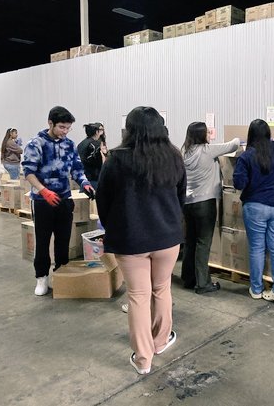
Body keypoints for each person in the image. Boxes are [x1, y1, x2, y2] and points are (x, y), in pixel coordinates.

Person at [96, 106, 185, 375]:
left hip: (130, 238)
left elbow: (103, 199)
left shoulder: (116, 159)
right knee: (162, 289)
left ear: (129, 129)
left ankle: (143, 359)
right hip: (167, 236)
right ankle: (160, 341)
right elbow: (180, 197)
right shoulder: (173, 156)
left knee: (138, 295)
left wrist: (113, 226)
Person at [22, 106, 95, 296]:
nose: (65, 131)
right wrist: (43, 190)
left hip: (64, 199)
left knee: (63, 241)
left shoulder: (69, 144)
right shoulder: (36, 144)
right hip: (43, 200)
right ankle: (41, 277)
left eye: (68, 128)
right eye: (62, 127)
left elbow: (77, 169)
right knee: (43, 241)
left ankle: (61, 275)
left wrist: (84, 183)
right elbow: (28, 172)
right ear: (50, 123)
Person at [233, 119, 274, 303]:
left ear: (250, 135)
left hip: (256, 206)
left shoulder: (246, 156)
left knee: (257, 248)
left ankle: (257, 289)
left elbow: (239, 184)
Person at [181, 122, 240, 294]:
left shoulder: (184, 151)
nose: (209, 135)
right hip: (205, 203)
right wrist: (240, 136)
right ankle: (203, 283)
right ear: (201, 135)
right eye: (207, 132)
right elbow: (234, 144)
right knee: (203, 243)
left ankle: (189, 278)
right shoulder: (207, 150)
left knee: (190, 241)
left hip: (188, 203)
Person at [77, 122, 107, 191]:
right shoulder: (96, 144)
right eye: (101, 129)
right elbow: (101, 161)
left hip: (84, 178)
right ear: (97, 131)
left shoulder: (81, 143)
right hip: (94, 177)